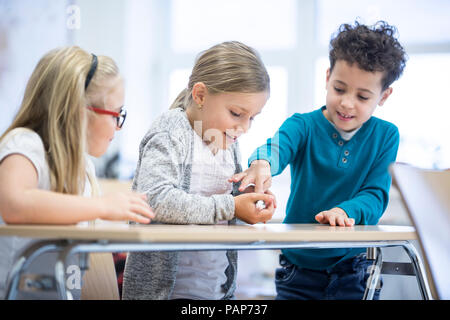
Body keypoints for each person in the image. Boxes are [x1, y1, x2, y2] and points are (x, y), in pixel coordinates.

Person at [230, 21, 407, 300]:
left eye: (362, 96)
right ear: (327, 77)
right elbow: (277, 147)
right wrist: (262, 163)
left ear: (384, 96)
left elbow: (375, 194)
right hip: (298, 268)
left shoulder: (386, 136)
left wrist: (346, 211)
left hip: (355, 268)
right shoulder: (303, 125)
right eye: (339, 89)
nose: (347, 103)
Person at [122, 41, 276, 300]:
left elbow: (222, 214)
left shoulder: (227, 143)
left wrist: (250, 200)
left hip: (214, 292)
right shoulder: (171, 131)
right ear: (201, 95)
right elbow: (154, 200)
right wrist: (231, 206)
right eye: (236, 113)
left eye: (252, 117)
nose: (245, 127)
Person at [0, 46, 154, 299]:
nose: (119, 126)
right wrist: (101, 206)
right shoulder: (25, 144)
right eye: (116, 114)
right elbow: (15, 205)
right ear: (79, 111)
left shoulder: (84, 167)